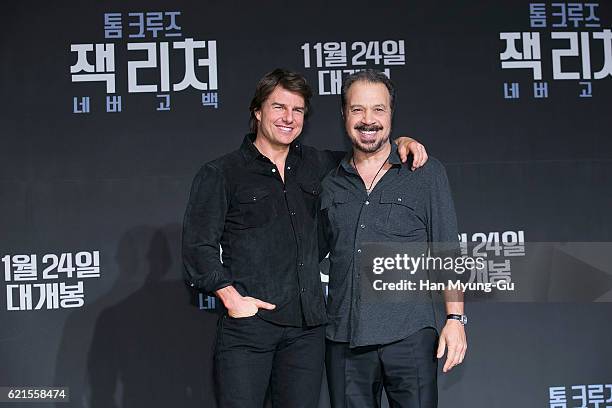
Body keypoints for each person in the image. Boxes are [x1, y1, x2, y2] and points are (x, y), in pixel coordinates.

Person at [181, 68, 429, 408]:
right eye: (279, 107)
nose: (289, 118)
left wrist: (403, 141)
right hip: (249, 329)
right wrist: (233, 299)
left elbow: (369, 149)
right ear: (257, 111)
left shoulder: (320, 164)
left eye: (297, 110)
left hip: (307, 331)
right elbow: (198, 249)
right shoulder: (221, 173)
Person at [319, 69, 467, 408]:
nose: (368, 120)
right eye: (358, 110)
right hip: (344, 341)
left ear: (391, 115)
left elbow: (447, 250)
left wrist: (455, 320)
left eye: (378, 109)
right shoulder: (327, 181)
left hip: (410, 336)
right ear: (344, 115)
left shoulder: (424, 172)